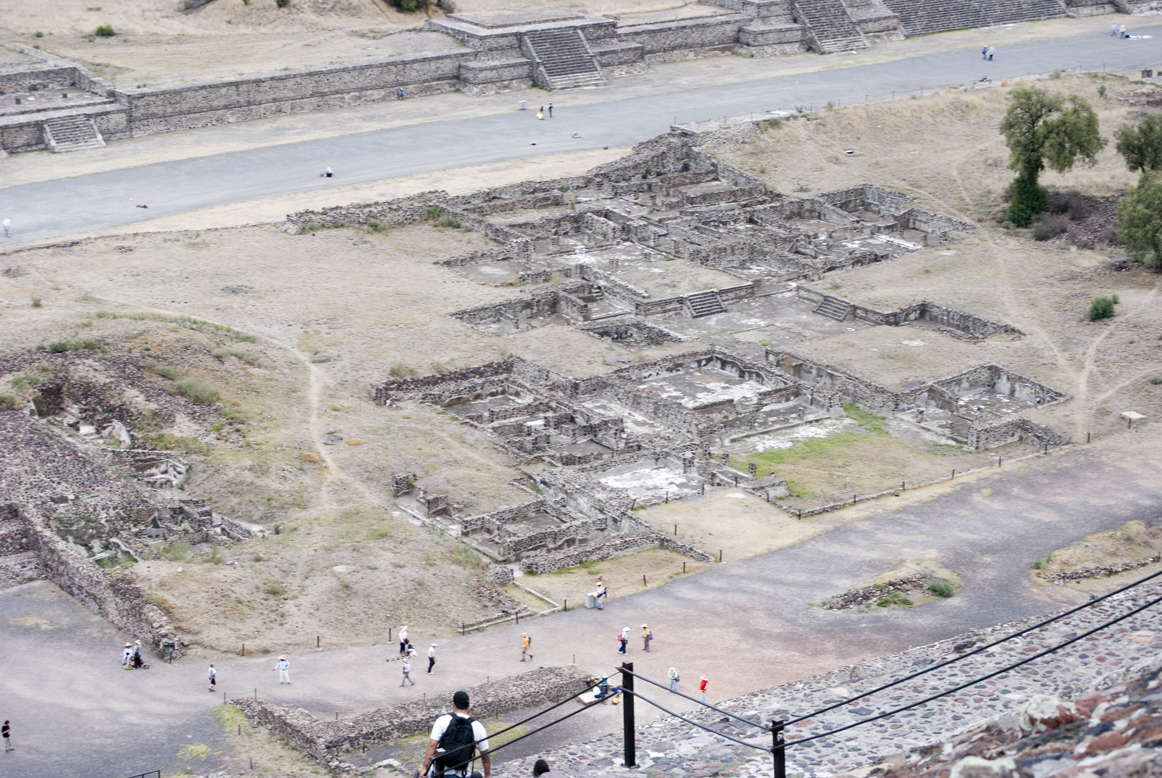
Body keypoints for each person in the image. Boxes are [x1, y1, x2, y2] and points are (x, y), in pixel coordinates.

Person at [422, 690, 490, 778]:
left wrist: (425, 768)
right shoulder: (478, 727)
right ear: (468, 705)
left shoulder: (442, 721)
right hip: (463, 774)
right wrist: (487, 774)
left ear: (453, 705)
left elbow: (432, 745)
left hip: (441, 773)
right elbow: (484, 754)